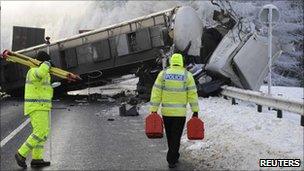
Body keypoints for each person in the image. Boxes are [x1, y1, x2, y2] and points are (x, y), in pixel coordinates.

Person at [149, 53, 199, 168]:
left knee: (170, 135)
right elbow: (192, 94)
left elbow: (156, 93)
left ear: (171, 61)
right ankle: (172, 158)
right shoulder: (187, 75)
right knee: (176, 136)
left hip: (166, 113)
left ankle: (173, 155)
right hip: (180, 114)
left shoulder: (163, 74)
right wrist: (195, 110)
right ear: (181, 62)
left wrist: (154, 109)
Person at [15, 51, 53, 168]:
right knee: (39, 132)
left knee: (43, 133)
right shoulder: (33, 71)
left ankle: (37, 158)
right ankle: (21, 153)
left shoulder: (45, 72)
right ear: (41, 62)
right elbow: (40, 73)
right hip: (36, 106)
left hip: (43, 106)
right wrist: (47, 64)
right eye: (46, 62)